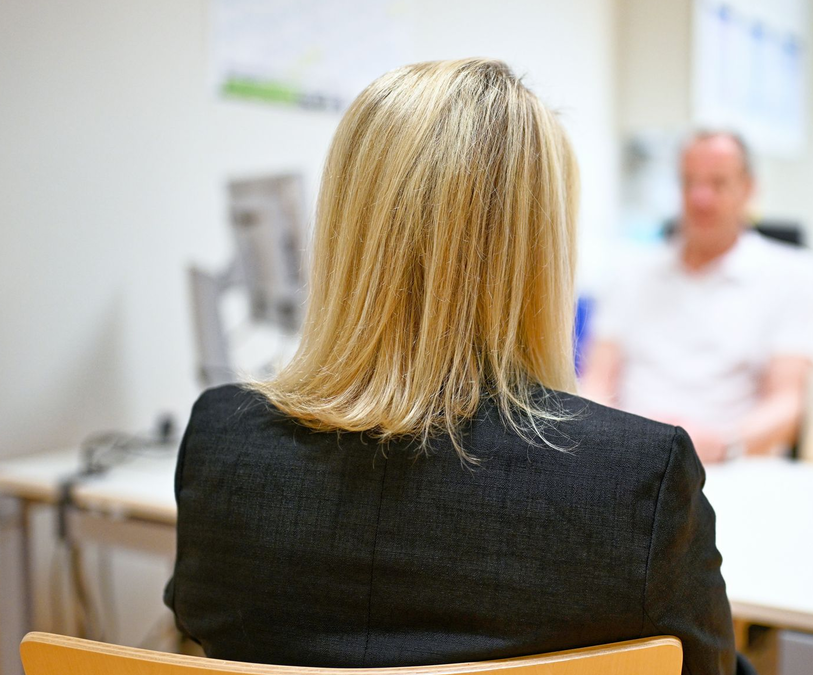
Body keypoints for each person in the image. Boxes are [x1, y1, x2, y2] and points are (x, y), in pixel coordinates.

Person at [165, 59, 751, 675]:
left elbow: (197, 624)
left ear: (345, 224)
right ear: (541, 250)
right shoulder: (636, 482)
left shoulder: (221, 438)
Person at [581, 131, 813, 464]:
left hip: (730, 461)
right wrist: (607, 437)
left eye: (718, 183)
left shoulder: (793, 276)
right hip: (631, 461)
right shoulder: (629, 272)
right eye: (689, 182)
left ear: (749, 189)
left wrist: (722, 445)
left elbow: (787, 405)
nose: (700, 198)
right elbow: (597, 379)